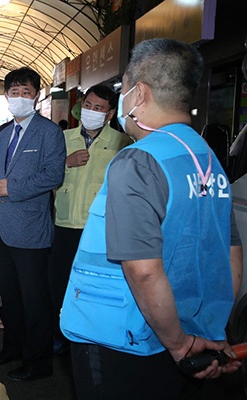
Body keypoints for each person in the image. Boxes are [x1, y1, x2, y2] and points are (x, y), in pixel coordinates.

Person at [60, 38, 243, 399]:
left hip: (123, 338)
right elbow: (231, 254)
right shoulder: (207, 159)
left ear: (139, 94)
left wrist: (178, 344)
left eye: (123, 90)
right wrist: (212, 330)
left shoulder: (138, 161)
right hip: (188, 329)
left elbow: (142, 268)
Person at [0, 67, 66, 381]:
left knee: (35, 301)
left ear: (37, 95)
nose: (19, 98)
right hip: (0, 231)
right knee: (7, 296)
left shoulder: (48, 132)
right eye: (14, 92)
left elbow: (53, 175)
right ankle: (14, 348)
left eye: (26, 92)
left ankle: (38, 362)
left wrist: (14, 188)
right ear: (6, 96)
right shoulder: (1, 134)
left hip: (30, 232)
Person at [49, 85, 132, 352]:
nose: (92, 112)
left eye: (99, 108)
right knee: (58, 283)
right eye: (88, 105)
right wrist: (65, 163)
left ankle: (89, 337)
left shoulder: (122, 143)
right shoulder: (62, 138)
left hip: (99, 231)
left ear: (109, 115)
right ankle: (58, 335)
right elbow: (43, 175)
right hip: (63, 225)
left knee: (92, 286)